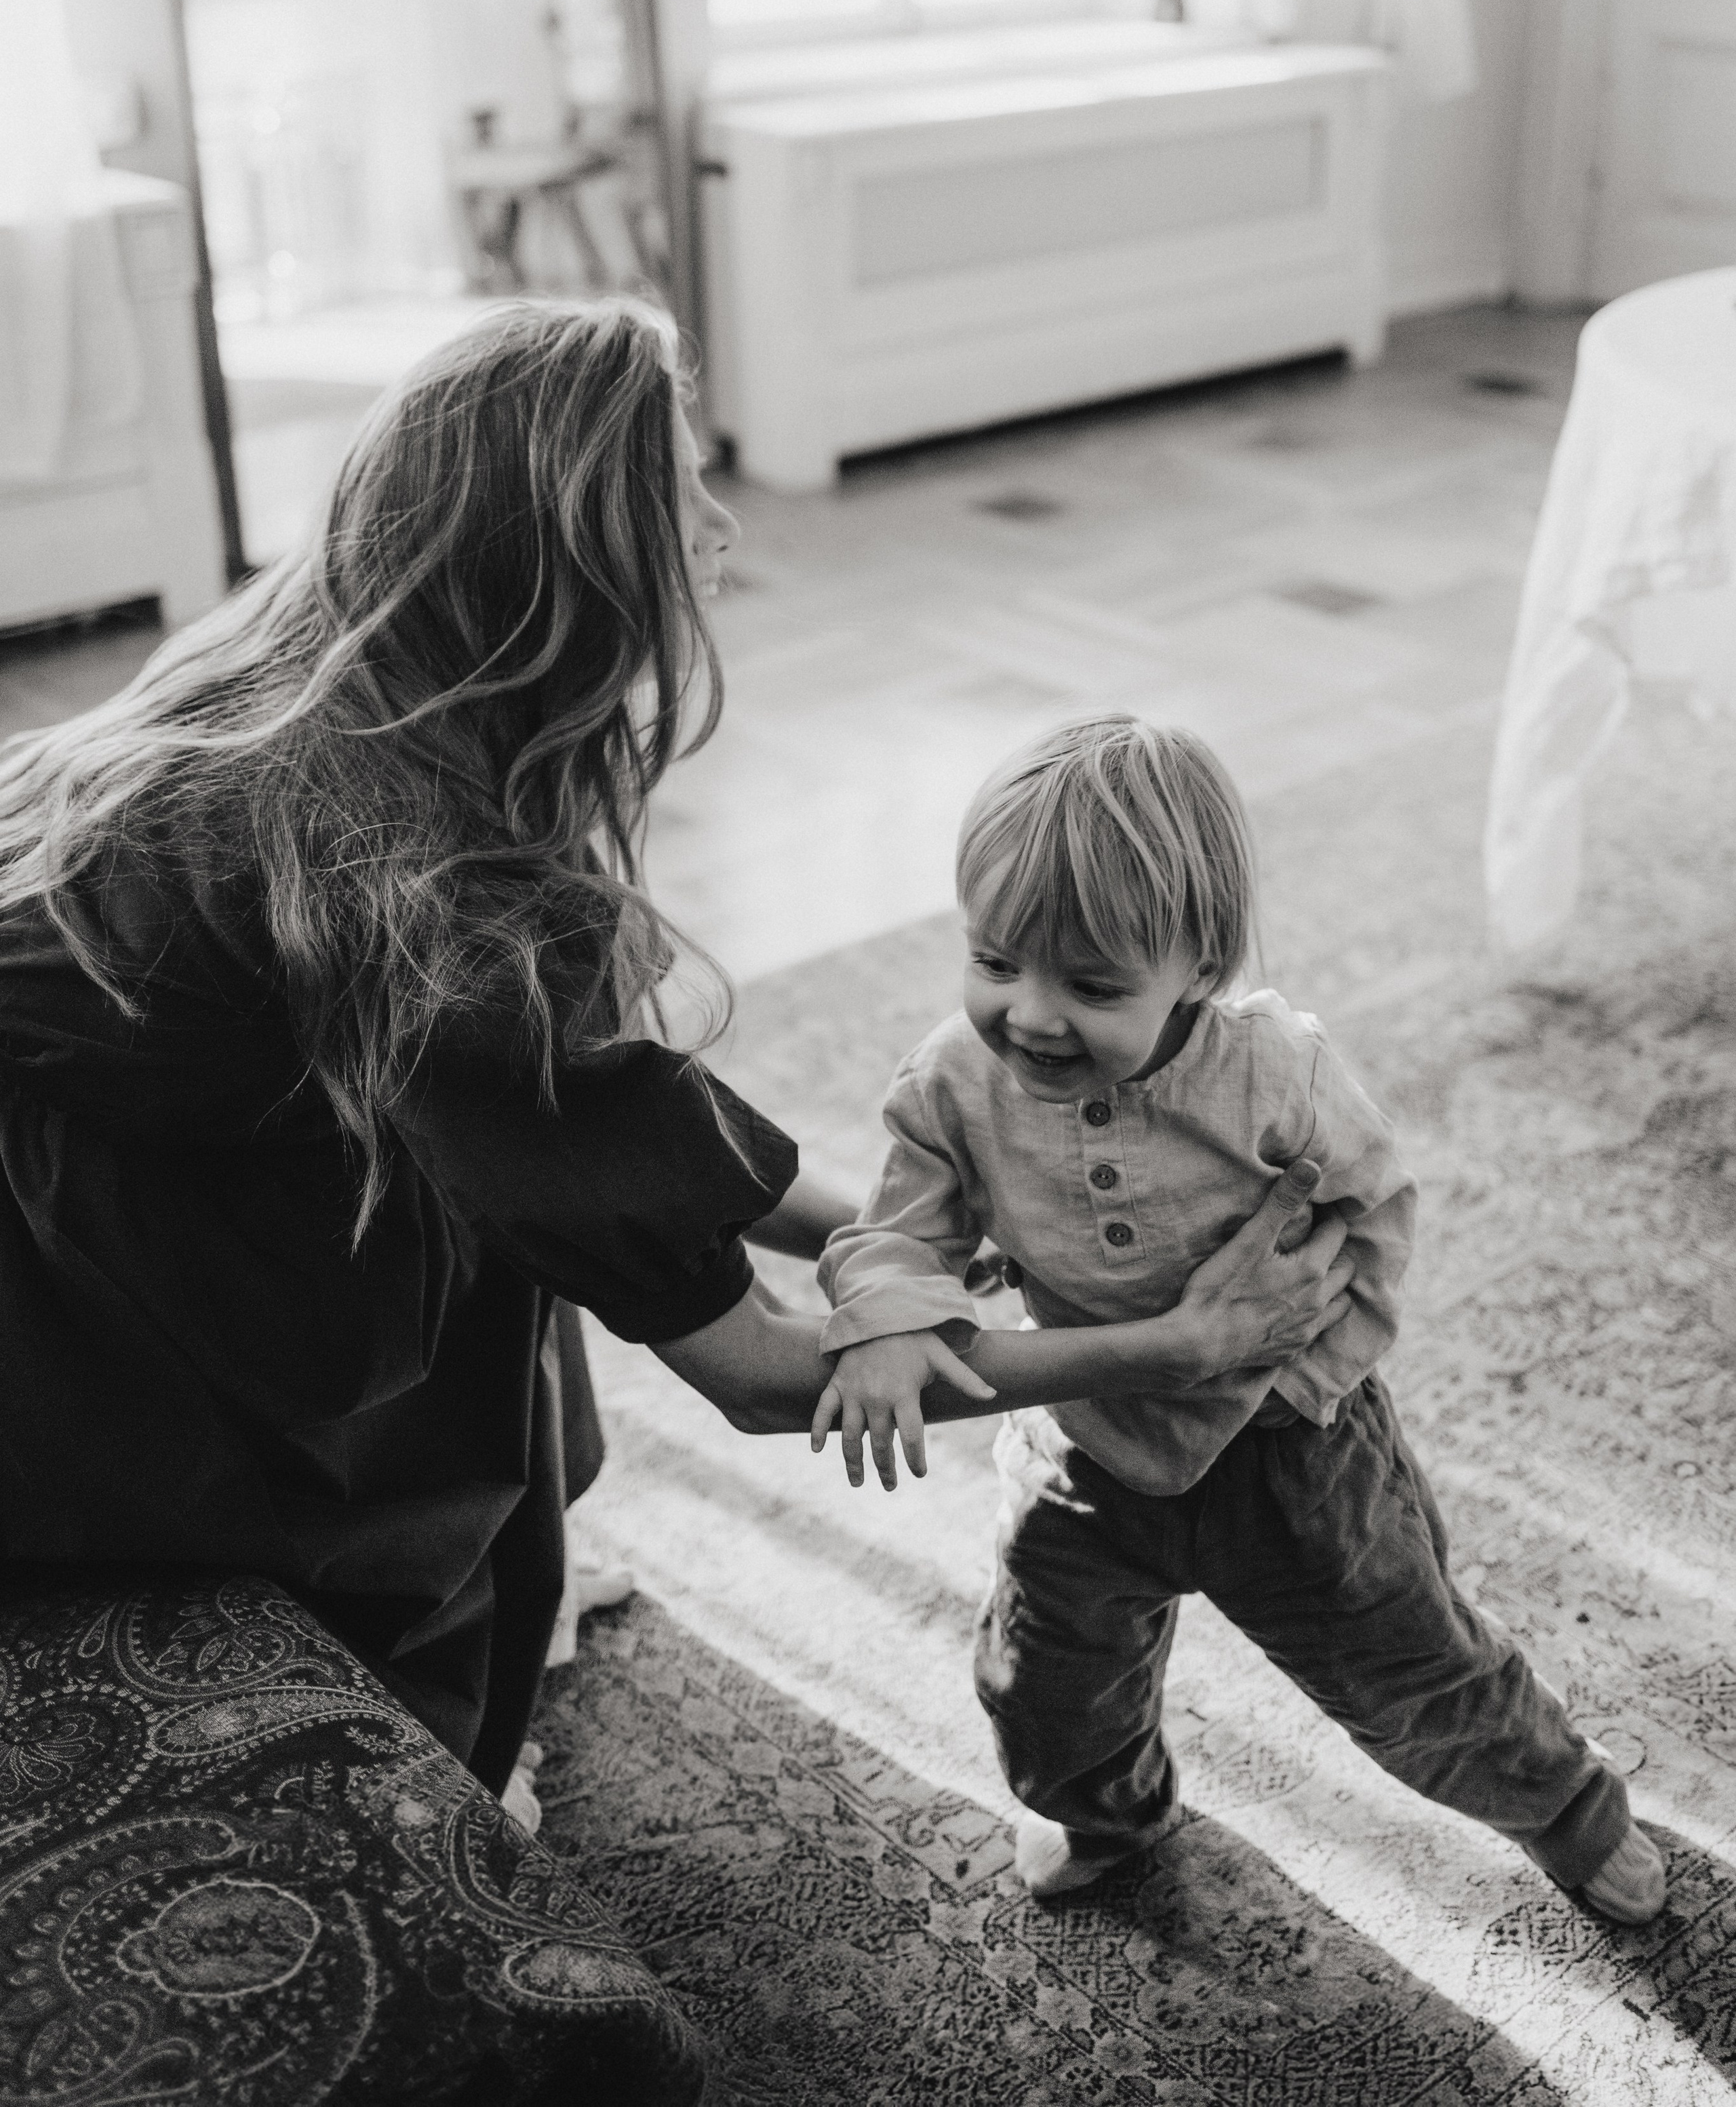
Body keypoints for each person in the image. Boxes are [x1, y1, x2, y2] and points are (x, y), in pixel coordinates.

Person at [0, 302, 1354, 1838]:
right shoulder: (446, 914)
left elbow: (621, 1130)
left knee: (528, 1194)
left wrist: (928, 1228)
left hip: (138, 1139)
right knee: (464, 1244)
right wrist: (1164, 1343)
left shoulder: (335, 670)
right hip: (68, 1318)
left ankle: (518, 1553)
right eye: (679, 494)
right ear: (566, 575)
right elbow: (769, 1377)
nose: (718, 528)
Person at [810, 713, 1668, 1923]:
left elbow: (1373, 1213)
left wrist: (1314, 1383)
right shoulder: (952, 1082)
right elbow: (900, 1226)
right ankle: (1112, 1807)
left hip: (1292, 1454)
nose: (1033, 1015)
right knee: (1042, 1683)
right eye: (996, 962)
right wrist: (889, 1318)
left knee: (1410, 1669)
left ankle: (1568, 1809)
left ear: (1200, 968)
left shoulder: (1273, 1074)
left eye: (1093, 985)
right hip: (1083, 1450)